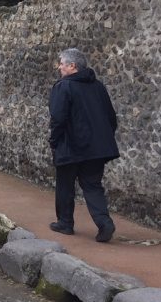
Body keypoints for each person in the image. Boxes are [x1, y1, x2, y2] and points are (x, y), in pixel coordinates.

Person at [48, 48, 119, 242]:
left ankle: (65, 223)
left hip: (70, 145)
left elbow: (58, 118)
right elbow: (111, 117)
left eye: (62, 63)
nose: (59, 67)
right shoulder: (98, 87)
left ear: (73, 66)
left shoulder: (63, 87)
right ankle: (104, 223)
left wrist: (54, 141)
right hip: (96, 148)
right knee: (93, 185)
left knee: (65, 185)